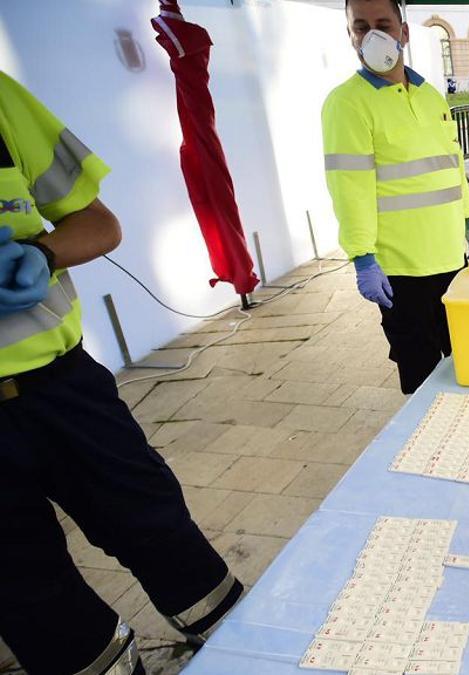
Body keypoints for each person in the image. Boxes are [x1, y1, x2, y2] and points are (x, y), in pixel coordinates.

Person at [0, 70, 245, 674]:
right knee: (29, 596)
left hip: (63, 390)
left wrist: (42, 253)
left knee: (159, 531)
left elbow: (100, 224)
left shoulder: (2, 102)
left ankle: (250, 651)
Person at [323, 0, 469, 394]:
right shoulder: (347, 103)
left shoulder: (430, 96)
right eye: (360, 27)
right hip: (400, 270)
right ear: (350, 36)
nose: (372, 35)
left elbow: (452, 164)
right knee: (420, 372)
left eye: (383, 23)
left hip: (450, 257)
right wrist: (362, 256)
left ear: (404, 32)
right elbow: (349, 187)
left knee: (464, 362)